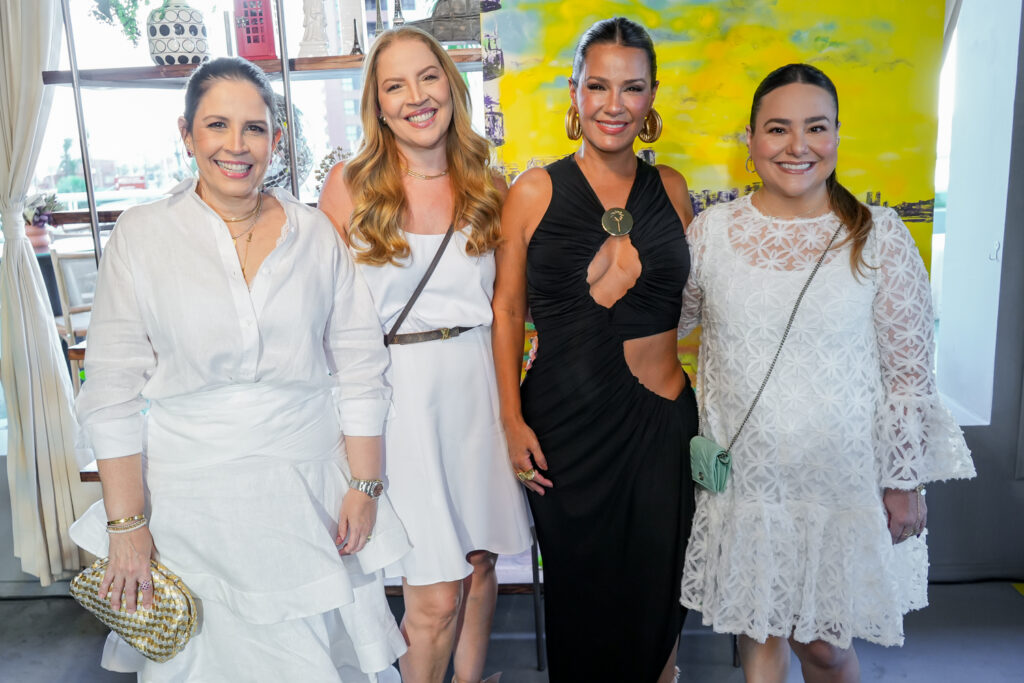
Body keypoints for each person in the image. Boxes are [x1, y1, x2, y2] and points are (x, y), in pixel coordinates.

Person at [69, 56, 409, 681]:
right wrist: (127, 527)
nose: (237, 145)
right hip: (189, 504)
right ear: (187, 134)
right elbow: (112, 389)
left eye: (255, 128)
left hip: (308, 496)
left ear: (276, 139)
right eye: (218, 125)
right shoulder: (142, 236)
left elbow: (362, 367)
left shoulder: (315, 235)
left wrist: (364, 488)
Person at [678, 63, 976, 683]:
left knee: (823, 648)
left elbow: (908, 375)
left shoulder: (879, 235)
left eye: (816, 127)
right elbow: (667, 327)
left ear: (837, 134)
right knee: (755, 634)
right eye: (778, 128)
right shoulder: (712, 232)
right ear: (752, 139)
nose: (797, 146)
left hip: (839, 486)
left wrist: (904, 480)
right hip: (748, 481)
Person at [318, 26, 531, 683]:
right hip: (398, 401)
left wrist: (512, 412)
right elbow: (319, 319)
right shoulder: (349, 186)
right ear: (378, 105)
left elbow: (507, 309)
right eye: (395, 85)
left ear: (451, 85)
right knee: (433, 595)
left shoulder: (489, 185)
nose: (416, 96)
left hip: (476, 389)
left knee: (479, 562)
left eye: (428, 77)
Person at [493, 17, 698, 683]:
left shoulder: (670, 188)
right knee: (581, 594)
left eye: (632, 88)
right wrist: (511, 419)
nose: (615, 104)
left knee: (656, 590)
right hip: (564, 428)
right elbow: (507, 310)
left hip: (660, 425)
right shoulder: (534, 190)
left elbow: (708, 303)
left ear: (651, 98)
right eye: (599, 86)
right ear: (575, 96)